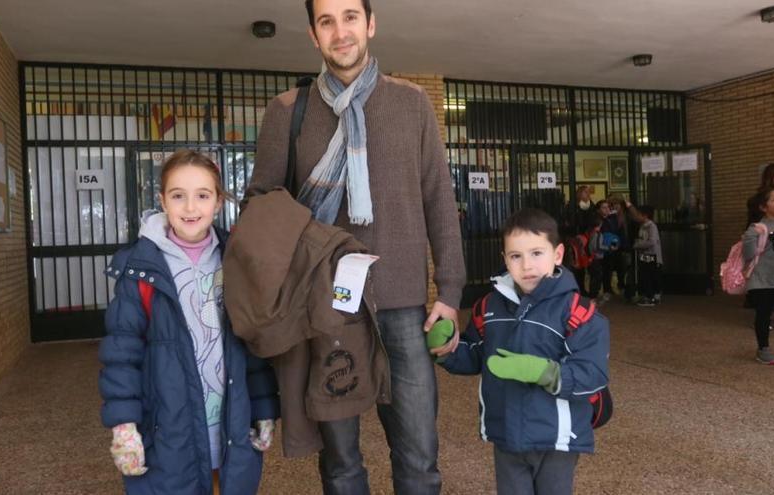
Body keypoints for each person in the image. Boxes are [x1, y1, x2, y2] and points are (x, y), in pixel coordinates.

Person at [247, 1, 466, 492]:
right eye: (327, 21)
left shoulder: (411, 104)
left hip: (403, 308)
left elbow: (439, 200)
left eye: (350, 16)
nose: (340, 31)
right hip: (327, 310)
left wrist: (450, 294)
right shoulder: (287, 112)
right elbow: (261, 207)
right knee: (341, 463)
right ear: (313, 34)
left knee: (419, 458)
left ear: (370, 23)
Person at [98, 150, 279, 494]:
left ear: (218, 201)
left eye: (203, 196)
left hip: (228, 423)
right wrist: (124, 426)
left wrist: (263, 409)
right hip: (169, 426)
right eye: (178, 196)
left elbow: (253, 343)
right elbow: (121, 354)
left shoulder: (237, 258)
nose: (191, 208)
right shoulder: (139, 268)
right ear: (163, 201)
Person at [429, 208, 609, 495]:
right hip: (507, 434)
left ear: (558, 254)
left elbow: (593, 375)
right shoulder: (489, 306)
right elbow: (477, 355)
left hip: (556, 437)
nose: (527, 265)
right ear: (505, 260)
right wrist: (447, 350)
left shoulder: (580, 313)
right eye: (516, 256)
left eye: (537, 253)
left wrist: (541, 372)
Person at [743, 188, 774, 365]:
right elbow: (748, 255)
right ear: (763, 207)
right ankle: (763, 349)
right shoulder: (757, 228)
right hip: (762, 279)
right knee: (763, 314)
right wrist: (750, 238)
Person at [631, 204, 663, 307]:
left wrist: (637, 245)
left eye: (639, 215)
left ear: (645, 215)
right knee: (645, 275)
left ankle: (652, 297)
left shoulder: (651, 226)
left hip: (652, 255)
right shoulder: (642, 226)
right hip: (644, 255)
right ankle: (648, 295)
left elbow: (652, 241)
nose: (637, 217)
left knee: (651, 276)